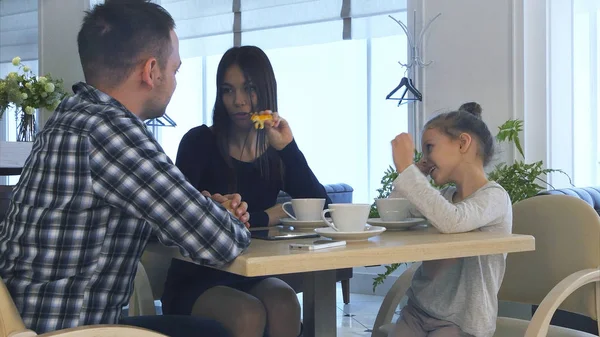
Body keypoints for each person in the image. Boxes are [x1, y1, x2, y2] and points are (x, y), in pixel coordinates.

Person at [0, 1, 251, 336]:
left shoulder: (72, 115)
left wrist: (205, 209)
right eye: (174, 71)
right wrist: (227, 218)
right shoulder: (111, 132)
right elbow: (221, 241)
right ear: (151, 71)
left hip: (29, 322)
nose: (175, 81)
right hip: (71, 331)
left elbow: (133, 217)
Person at [161, 46, 330, 337]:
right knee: (247, 313)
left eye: (248, 89)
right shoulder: (199, 142)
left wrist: (289, 149)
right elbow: (177, 219)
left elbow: (321, 208)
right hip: (197, 277)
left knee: (285, 302)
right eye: (228, 90)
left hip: (249, 273)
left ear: (265, 90)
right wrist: (263, 216)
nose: (238, 101)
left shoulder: (276, 152)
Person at [388, 102, 512, 337]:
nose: (426, 158)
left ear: (463, 143)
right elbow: (397, 212)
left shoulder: (494, 197)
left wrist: (407, 171)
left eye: (430, 148)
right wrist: (415, 171)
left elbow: (452, 221)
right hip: (418, 310)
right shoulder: (443, 197)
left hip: (461, 321)